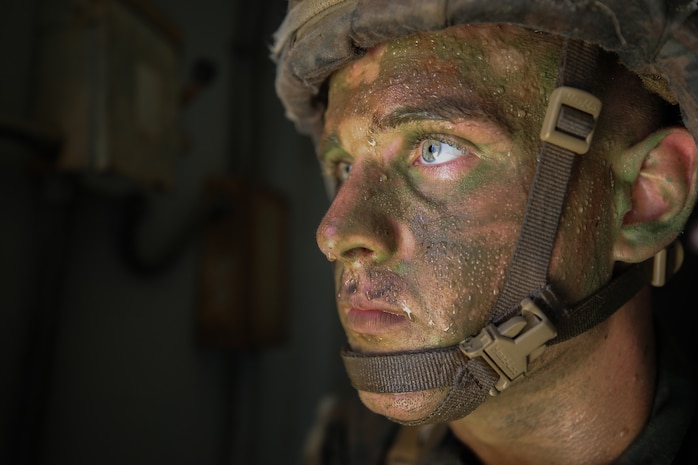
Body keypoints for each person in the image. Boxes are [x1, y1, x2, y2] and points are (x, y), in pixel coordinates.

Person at [272, 1, 698, 464]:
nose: (334, 234)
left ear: (646, 198)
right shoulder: (347, 448)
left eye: (435, 149)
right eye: (346, 166)